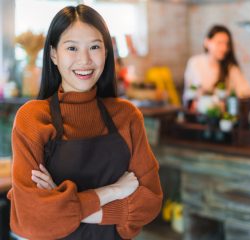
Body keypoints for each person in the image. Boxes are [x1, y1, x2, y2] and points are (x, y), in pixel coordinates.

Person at [7, 4, 163, 240]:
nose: (85, 60)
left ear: (106, 53)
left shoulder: (127, 116)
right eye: (72, 48)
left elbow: (150, 201)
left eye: (94, 47)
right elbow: (33, 218)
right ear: (53, 54)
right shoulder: (33, 118)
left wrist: (65, 206)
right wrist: (114, 191)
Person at [183, 25, 250, 111]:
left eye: (226, 44)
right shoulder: (195, 63)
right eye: (219, 43)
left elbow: (246, 91)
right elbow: (189, 93)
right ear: (207, 42)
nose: (224, 48)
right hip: (199, 116)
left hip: (224, 118)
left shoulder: (230, 68)